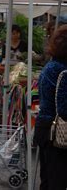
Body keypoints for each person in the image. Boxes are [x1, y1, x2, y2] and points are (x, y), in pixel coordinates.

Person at [34, 25, 67, 190]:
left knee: (47, 179)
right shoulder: (63, 70)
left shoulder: (51, 66)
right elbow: (64, 109)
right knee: (57, 181)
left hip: (44, 127)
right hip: (57, 132)